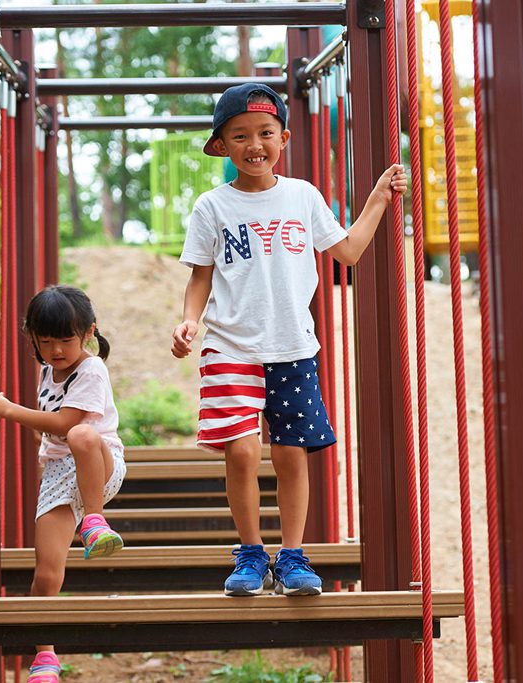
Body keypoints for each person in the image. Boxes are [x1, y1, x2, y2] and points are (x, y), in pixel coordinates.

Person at [171, 82, 407, 597]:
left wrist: (376, 202)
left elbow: (346, 253)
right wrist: (189, 320)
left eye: (264, 133)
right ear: (222, 146)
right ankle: (252, 553)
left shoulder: (303, 195)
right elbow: (200, 277)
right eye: (240, 136)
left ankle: (293, 556)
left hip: (292, 346)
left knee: (291, 453)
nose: (254, 144)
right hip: (230, 345)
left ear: (284, 138)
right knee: (241, 452)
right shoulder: (212, 207)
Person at [0, 285, 125, 683]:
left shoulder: (92, 369)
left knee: (81, 435)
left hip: (99, 462)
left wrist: (9, 410)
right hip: (59, 476)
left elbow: (66, 424)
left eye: (65, 339)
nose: (56, 350)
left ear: (88, 333)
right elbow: (46, 429)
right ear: (33, 338)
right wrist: (26, 422)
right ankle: (45, 655)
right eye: (45, 341)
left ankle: (94, 521)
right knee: (45, 570)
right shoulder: (47, 369)